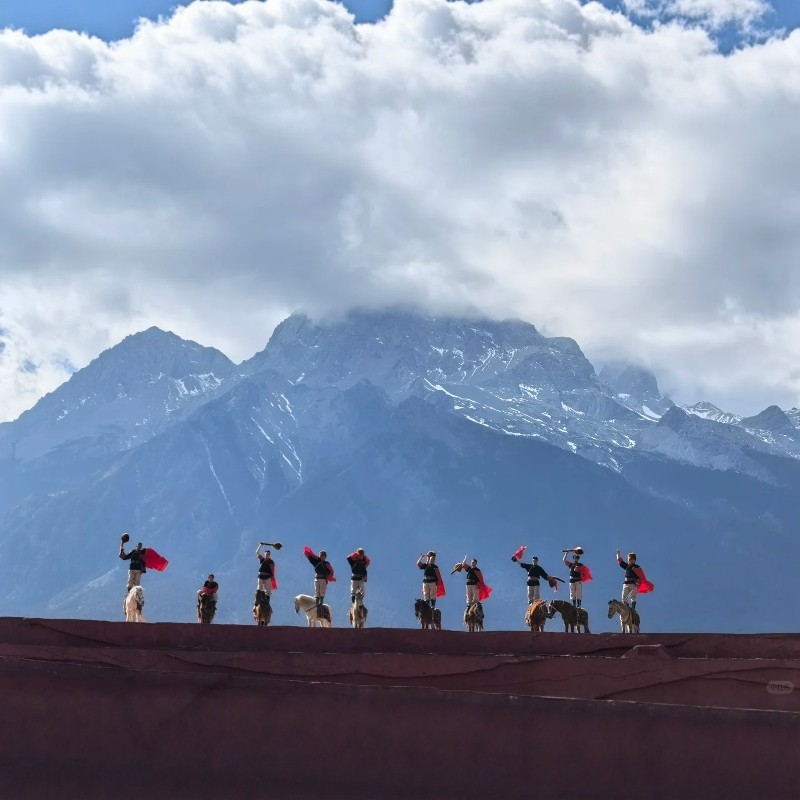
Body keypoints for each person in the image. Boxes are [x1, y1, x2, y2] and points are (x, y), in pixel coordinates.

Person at [119, 536, 147, 616]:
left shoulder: (142, 553)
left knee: (137, 585)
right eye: (138, 546)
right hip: (131, 570)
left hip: (138, 570)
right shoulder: (133, 552)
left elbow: (145, 561)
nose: (139, 547)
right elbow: (124, 557)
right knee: (130, 583)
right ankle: (127, 598)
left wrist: (143, 569)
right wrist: (122, 545)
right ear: (136, 546)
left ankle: (139, 602)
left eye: (140, 546)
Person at [303, 546, 335, 612]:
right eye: (321, 556)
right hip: (317, 578)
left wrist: (329, 576)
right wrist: (312, 555)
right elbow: (308, 555)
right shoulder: (316, 561)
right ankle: (316, 602)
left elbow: (331, 571)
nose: (322, 557)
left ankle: (321, 602)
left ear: (325, 557)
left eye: (323, 556)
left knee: (322, 591)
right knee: (317, 591)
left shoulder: (327, 563)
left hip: (323, 578)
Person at [256, 543, 278, 611]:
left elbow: (272, 570)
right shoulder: (262, 559)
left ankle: (267, 603)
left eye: (268, 554)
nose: (267, 555)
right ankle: (257, 602)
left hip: (268, 577)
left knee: (268, 591)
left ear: (269, 555)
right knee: (259, 589)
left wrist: (272, 578)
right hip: (260, 576)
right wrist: (260, 545)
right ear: (265, 554)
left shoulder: (271, 562)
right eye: (266, 554)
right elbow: (257, 552)